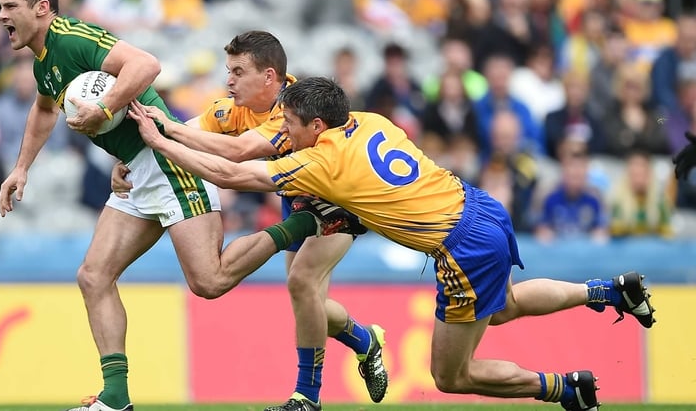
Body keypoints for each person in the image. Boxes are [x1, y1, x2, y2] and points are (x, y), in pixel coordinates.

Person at [129, 76, 657, 411]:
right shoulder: (372, 121)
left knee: (451, 376)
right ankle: (610, 291)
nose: (282, 132)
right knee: (506, 306)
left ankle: (565, 389)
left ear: (317, 124)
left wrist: (160, 141)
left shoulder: (321, 160)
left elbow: (232, 171)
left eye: (290, 124)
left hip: (459, 248)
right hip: (480, 209)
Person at [0, 0, 358, 411]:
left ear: (42, 8)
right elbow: (44, 106)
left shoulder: (72, 38)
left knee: (209, 281)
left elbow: (146, 65)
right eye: (0, 7)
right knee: (93, 276)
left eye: (10, 7)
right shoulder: (44, 61)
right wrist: (21, 168)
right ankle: (115, 398)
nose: (0, 16)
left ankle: (303, 222)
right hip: (138, 168)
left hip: (167, 164)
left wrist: (107, 109)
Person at [111, 30, 389, 410]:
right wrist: (131, 161)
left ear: (270, 77)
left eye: (239, 72)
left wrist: (168, 129)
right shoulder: (232, 109)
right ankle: (364, 341)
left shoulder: (292, 109)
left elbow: (240, 151)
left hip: (337, 201)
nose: (229, 80)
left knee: (302, 284)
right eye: (229, 70)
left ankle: (307, 397)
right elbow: (194, 132)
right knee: (309, 301)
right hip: (297, 200)